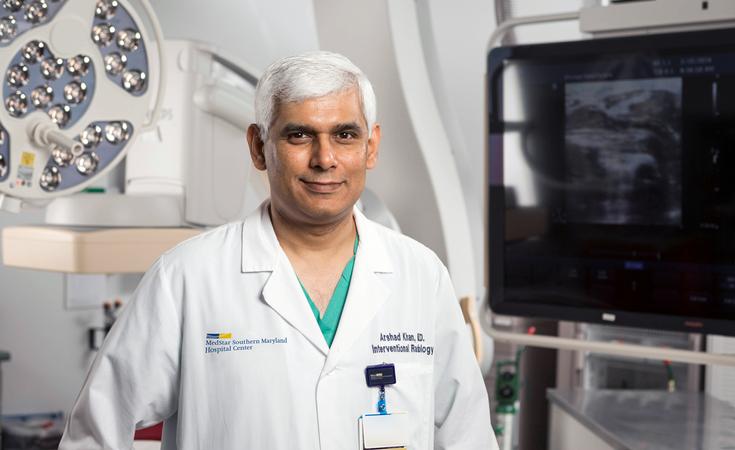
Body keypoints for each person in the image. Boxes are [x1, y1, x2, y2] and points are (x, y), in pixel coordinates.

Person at [59, 51, 497, 450]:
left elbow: (468, 436)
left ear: (371, 147)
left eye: (345, 135)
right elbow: (96, 434)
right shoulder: (186, 277)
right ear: (258, 147)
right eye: (300, 135)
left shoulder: (421, 275)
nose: (324, 158)